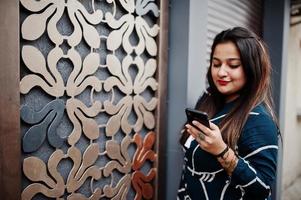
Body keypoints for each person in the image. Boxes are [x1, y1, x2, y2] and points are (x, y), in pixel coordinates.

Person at [177, 27, 280, 200]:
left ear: (251, 67)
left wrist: (222, 151)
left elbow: (262, 189)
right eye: (216, 64)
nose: (221, 72)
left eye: (233, 65)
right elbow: (189, 170)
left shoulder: (259, 120)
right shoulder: (208, 101)